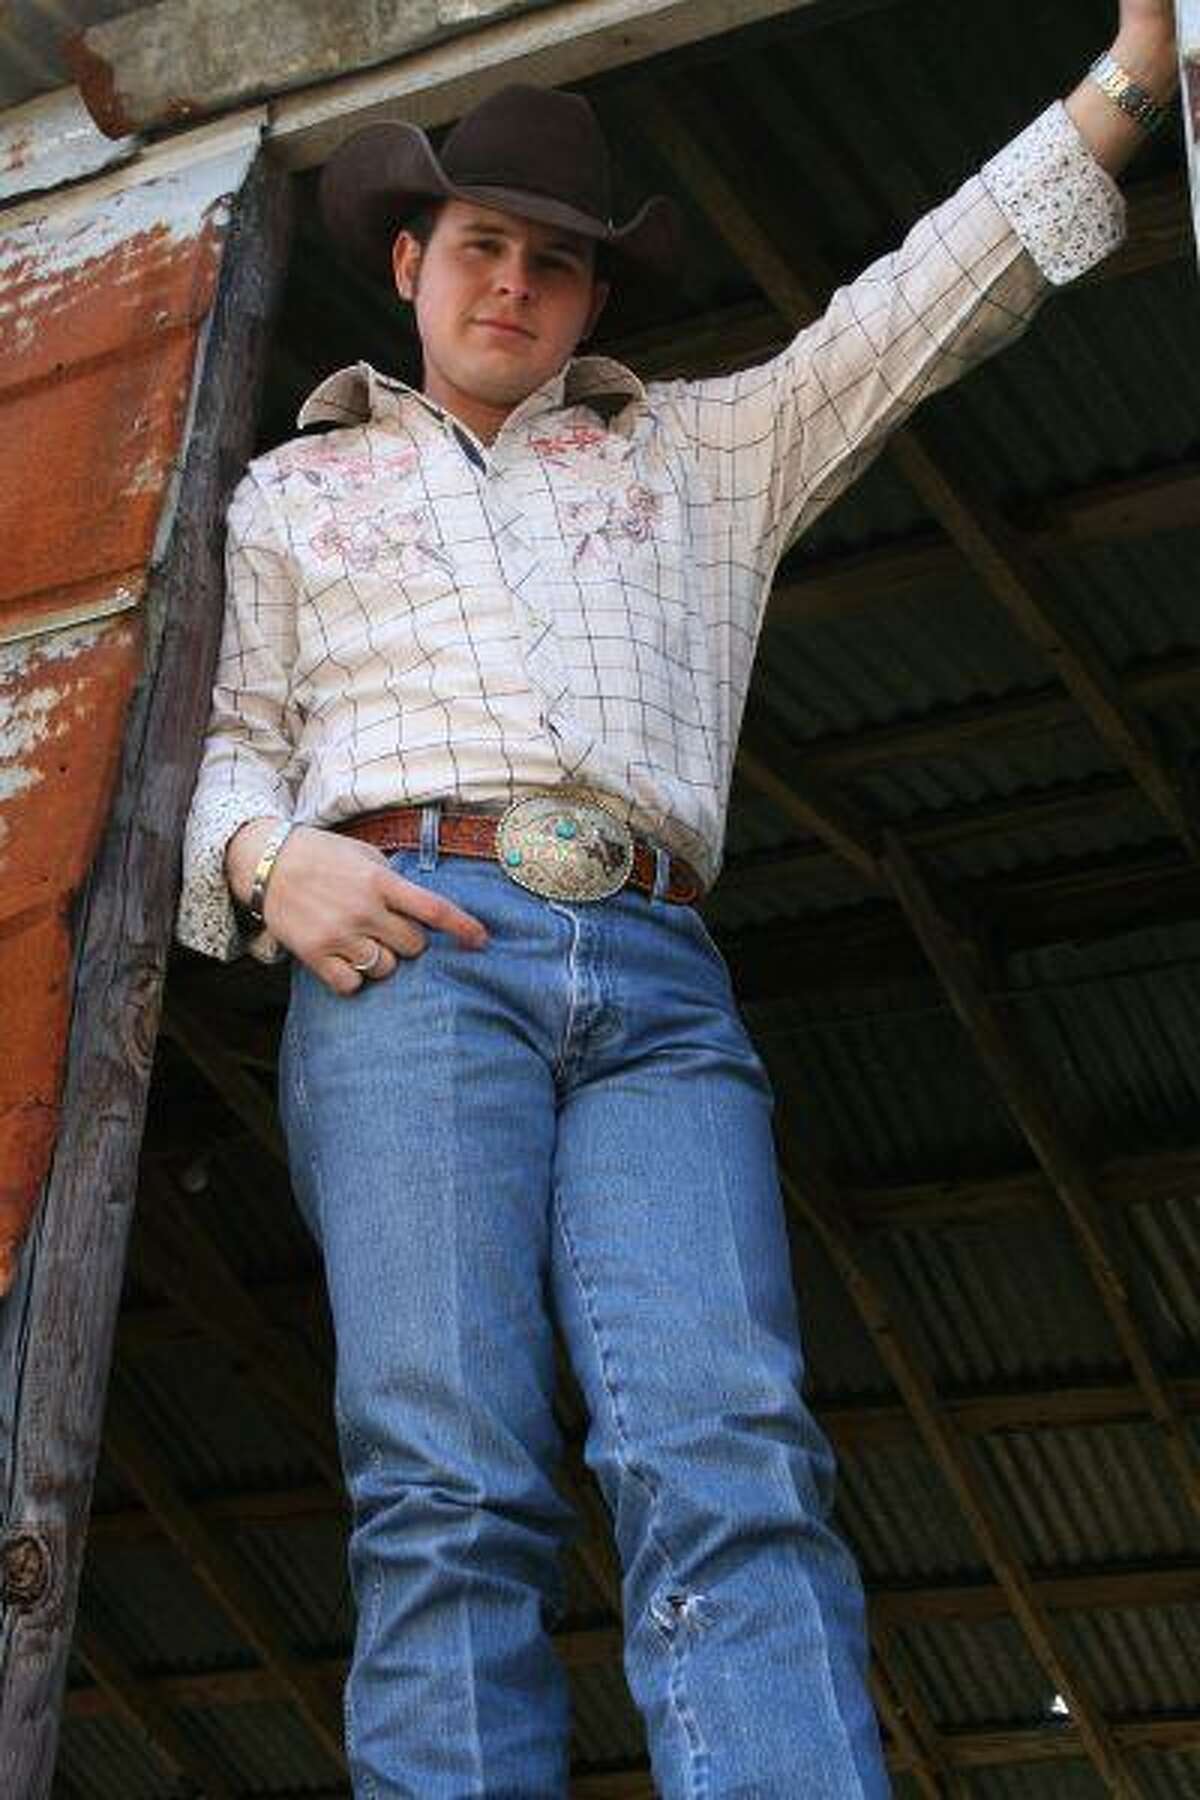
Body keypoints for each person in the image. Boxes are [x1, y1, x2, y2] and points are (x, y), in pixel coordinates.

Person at [178, 6, 1178, 1794]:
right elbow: (226, 745)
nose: (517, 286)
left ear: (590, 300)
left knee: (729, 1446)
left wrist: (1133, 76)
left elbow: (917, 309)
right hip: (412, 955)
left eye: (557, 263)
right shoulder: (291, 493)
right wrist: (266, 864)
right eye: (483, 247)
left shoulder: (698, 453)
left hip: (655, 975)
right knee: (449, 1478)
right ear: (411, 261)